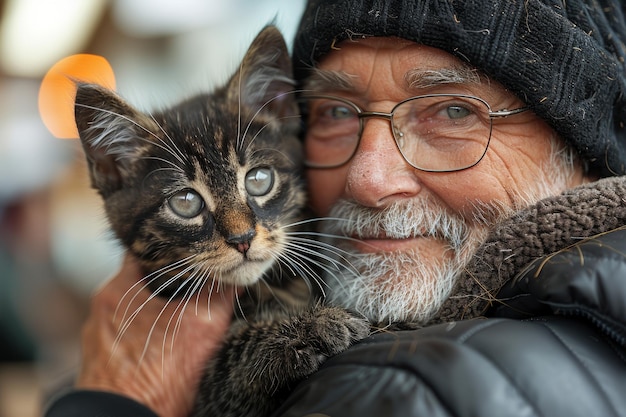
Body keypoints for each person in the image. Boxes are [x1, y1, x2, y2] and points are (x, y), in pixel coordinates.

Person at [45, 0, 626, 416]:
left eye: (453, 112)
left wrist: (108, 400)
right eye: (337, 113)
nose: (369, 180)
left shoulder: (406, 392)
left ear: (582, 149)